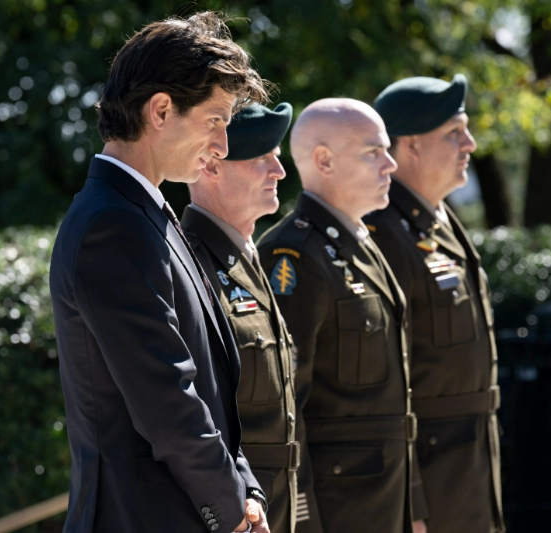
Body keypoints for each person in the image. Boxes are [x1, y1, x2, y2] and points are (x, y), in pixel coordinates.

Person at [49, 12, 272, 533]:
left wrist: (246, 490)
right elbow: (168, 401)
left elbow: (206, 388)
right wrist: (233, 508)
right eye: (215, 120)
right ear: (162, 110)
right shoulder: (113, 224)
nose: (222, 144)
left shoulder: (143, 214)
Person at [257, 99, 427, 533]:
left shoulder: (364, 245)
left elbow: (395, 408)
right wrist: (301, 520)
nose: (390, 164)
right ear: (324, 160)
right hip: (337, 511)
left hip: (385, 504)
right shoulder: (293, 256)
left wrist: (416, 508)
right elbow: (284, 409)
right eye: (374, 152)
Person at [364, 74, 505, 533]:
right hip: (429, 474)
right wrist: (412, 501)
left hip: (468, 468)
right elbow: (382, 390)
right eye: (453, 132)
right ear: (411, 145)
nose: (471, 143)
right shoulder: (383, 231)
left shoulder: (438, 222)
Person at [180, 102, 299, 533]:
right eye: (262, 158)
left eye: (278, 156)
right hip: (240, 510)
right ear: (211, 165)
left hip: (275, 500)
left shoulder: (246, 257)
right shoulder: (190, 261)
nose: (279, 171)